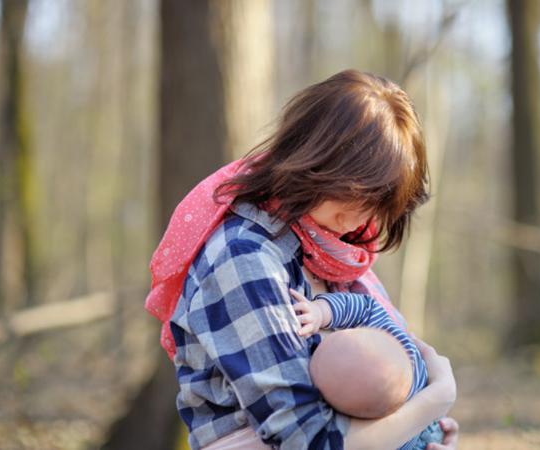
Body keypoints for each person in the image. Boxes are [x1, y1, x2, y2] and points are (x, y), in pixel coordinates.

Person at [145, 69, 460, 450]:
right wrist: (433, 400)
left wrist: (424, 432)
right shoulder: (244, 257)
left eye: (379, 203)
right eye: (354, 195)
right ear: (316, 160)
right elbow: (305, 439)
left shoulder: (327, 253)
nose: (361, 219)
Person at [289, 288, 448, 449]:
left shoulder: (382, 433)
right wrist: (321, 312)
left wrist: (320, 311)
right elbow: (365, 308)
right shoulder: (393, 338)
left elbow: (365, 308)